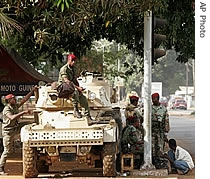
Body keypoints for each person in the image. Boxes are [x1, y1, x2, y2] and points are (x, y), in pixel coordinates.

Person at [0, 87, 37, 175]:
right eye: (13, 99)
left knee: (30, 124)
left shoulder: (15, 106)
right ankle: (1, 168)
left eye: (14, 98)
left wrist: (32, 91)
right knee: (7, 151)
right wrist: (23, 112)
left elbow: (24, 99)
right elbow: (12, 117)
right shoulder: (7, 109)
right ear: (9, 101)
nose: (15, 99)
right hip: (8, 131)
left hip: (15, 127)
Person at [58, 53, 93, 122]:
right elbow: (67, 81)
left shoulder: (73, 69)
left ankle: (88, 116)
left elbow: (74, 79)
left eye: (74, 61)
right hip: (63, 87)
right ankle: (76, 110)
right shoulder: (64, 69)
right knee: (75, 91)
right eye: (72, 61)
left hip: (71, 86)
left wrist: (80, 87)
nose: (73, 62)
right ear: (68, 60)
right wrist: (77, 88)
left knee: (83, 98)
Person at [151, 93, 170, 167]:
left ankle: (159, 161)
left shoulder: (163, 109)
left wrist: (165, 132)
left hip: (160, 131)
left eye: (154, 99)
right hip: (152, 131)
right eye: (152, 99)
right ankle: (153, 160)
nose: (153, 101)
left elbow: (166, 121)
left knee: (160, 147)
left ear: (158, 99)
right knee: (152, 147)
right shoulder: (150, 108)